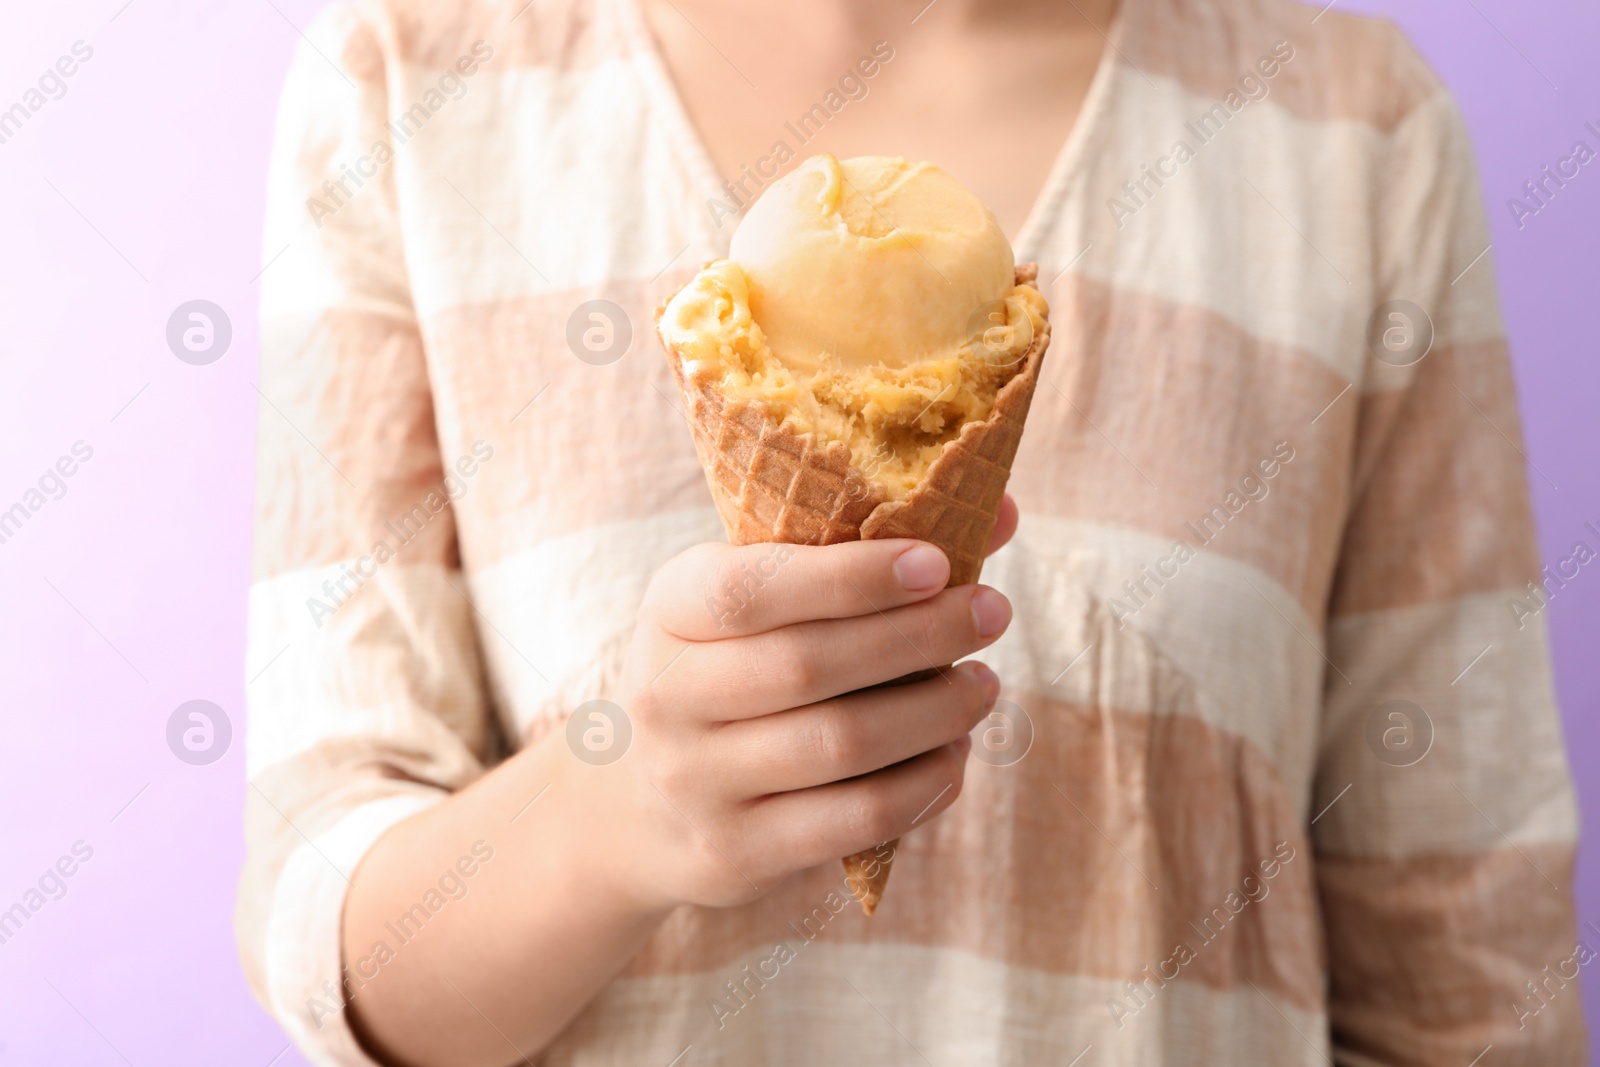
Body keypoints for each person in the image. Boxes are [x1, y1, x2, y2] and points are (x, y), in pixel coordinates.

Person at [237, 0, 1586, 1063]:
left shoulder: (1349, 135)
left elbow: (1472, 980)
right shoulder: (409, 86)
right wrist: (610, 810)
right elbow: (323, 934)